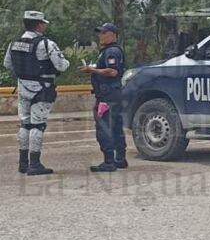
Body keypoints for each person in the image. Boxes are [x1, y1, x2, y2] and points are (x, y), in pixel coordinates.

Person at [3, 11, 70, 174]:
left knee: (25, 124)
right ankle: (34, 164)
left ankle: (23, 163)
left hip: (22, 88)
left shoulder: (14, 43)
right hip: (42, 88)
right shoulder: (46, 44)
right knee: (37, 125)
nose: (45, 25)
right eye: (43, 23)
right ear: (39, 25)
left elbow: (7, 65)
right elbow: (62, 66)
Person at [80, 23, 127, 172]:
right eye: (99, 33)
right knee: (116, 126)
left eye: (104, 33)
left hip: (107, 96)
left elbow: (112, 72)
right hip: (113, 94)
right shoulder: (109, 50)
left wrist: (92, 70)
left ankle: (109, 162)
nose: (100, 35)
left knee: (104, 127)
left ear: (113, 34)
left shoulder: (112, 51)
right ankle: (120, 158)